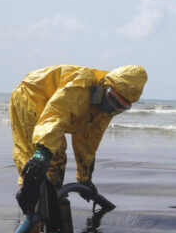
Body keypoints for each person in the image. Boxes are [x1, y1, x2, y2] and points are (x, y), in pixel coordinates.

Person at [9, 64, 147, 195]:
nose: (110, 108)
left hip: (52, 111)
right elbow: (56, 116)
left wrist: (84, 177)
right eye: (112, 100)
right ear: (103, 87)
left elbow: (87, 141)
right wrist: (43, 152)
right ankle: (30, 197)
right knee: (38, 158)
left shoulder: (105, 110)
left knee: (56, 161)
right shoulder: (80, 84)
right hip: (31, 96)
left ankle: (54, 198)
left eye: (119, 107)